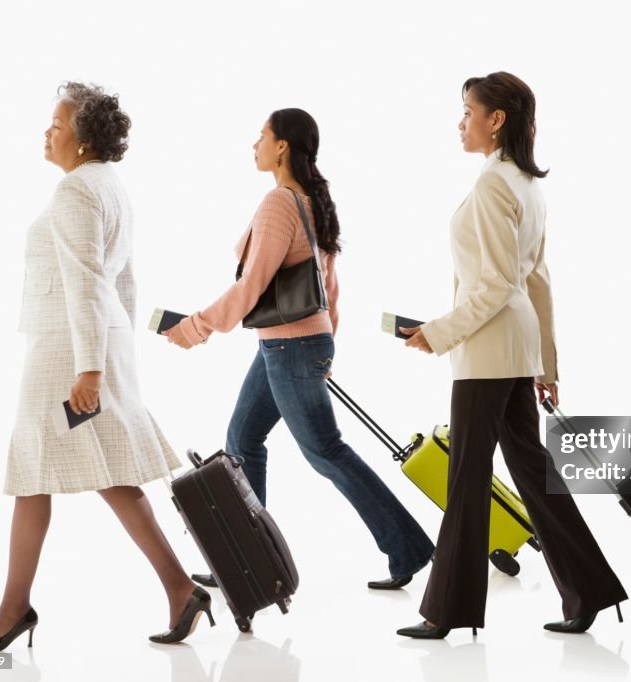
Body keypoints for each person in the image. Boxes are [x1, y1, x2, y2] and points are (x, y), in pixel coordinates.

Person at [0, 82, 211, 652]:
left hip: (65, 355)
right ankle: (178, 589)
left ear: (84, 137)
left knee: (35, 473)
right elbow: (122, 282)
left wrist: (91, 368)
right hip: (95, 348)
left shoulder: (77, 191)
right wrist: (112, 358)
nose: (47, 130)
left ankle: (13, 609)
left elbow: (86, 280)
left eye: (57, 122)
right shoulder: (110, 186)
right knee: (107, 473)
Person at [396, 72, 628, 640]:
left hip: (488, 349)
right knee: (533, 472)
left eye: (468, 111)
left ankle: (446, 612)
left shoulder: (494, 186)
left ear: (495, 120)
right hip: (514, 347)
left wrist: (439, 331)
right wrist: (546, 365)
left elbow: (498, 284)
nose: (461, 122)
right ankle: (591, 590)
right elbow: (538, 282)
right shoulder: (526, 184)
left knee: (467, 480)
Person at [164, 108, 434, 590]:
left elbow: (252, 287)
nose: (255, 145)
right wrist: (324, 346)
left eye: (261, 136)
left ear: (282, 146)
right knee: (242, 442)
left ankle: (408, 546)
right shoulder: (311, 199)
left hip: (292, 349)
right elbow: (329, 287)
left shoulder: (278, 203)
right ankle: (250, 562)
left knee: (325, 451)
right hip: (292, 346)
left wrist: (195, 328)